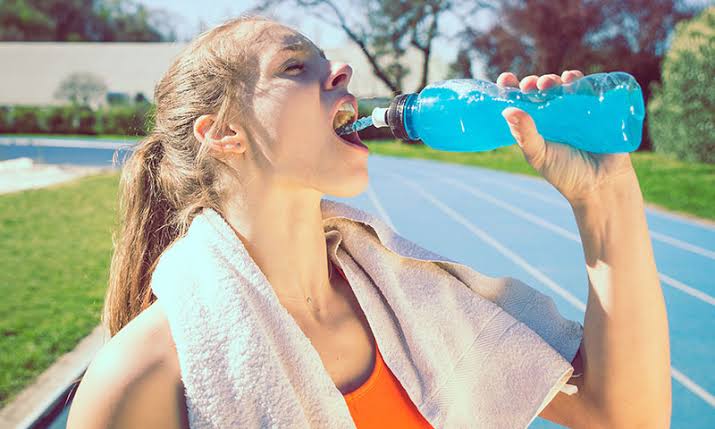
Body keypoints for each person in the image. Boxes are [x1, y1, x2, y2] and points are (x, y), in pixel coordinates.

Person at [67, 15, 671, 429]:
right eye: (294, 66)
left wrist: (604, 196)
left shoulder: (415, 302)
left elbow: (624, 415)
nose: (341, 74)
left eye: (331, 63)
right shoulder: (141, 375)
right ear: (224, 133)